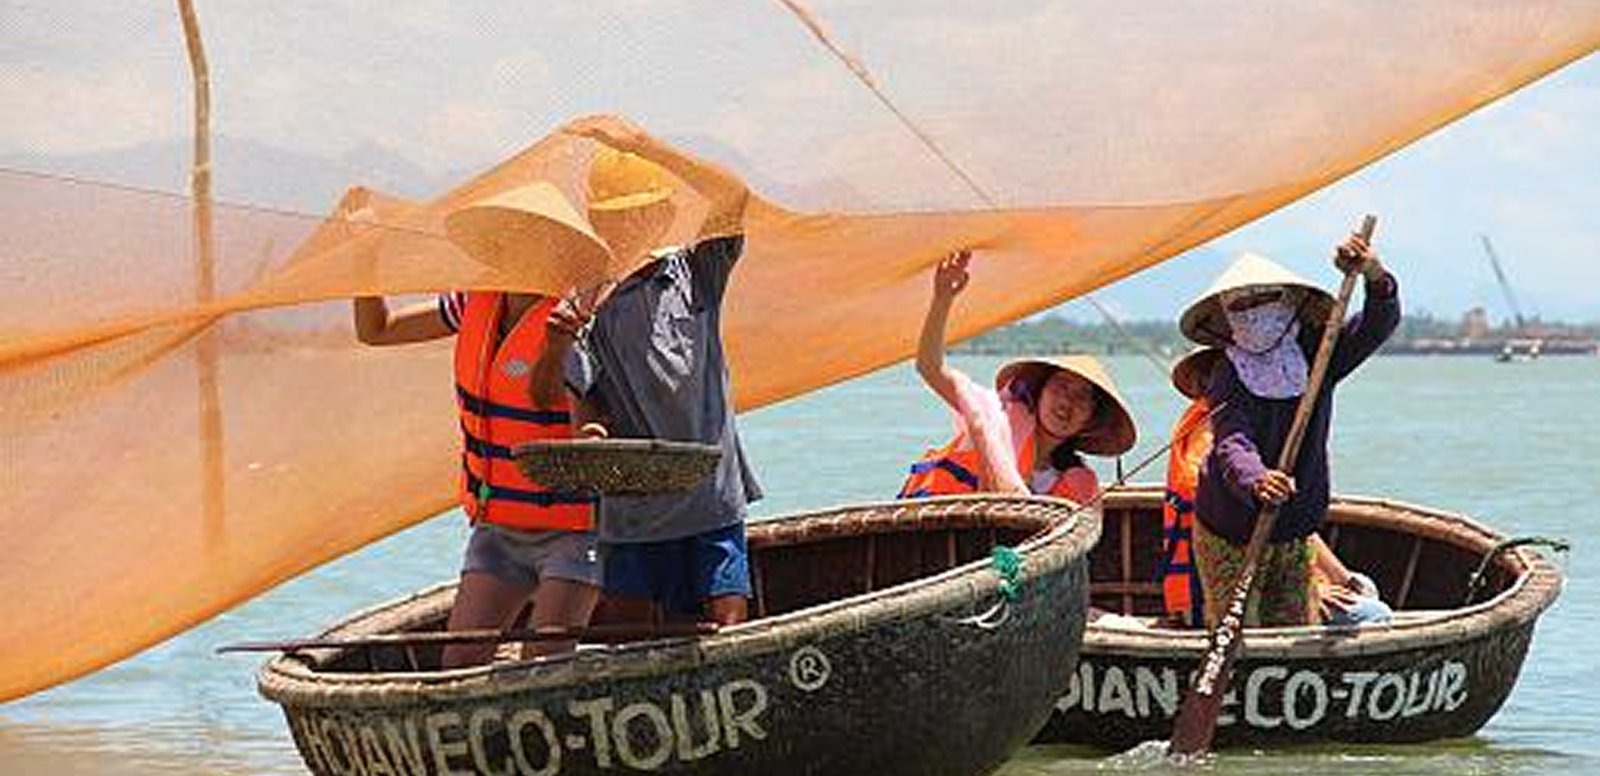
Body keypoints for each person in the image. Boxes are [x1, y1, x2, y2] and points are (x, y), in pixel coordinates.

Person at [558, 115, 761, 628]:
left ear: (661, 214)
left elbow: (733, 198)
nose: (626, 227)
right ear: (598, 224)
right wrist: (593, 435)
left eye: (639, 214)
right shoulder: (587, 303)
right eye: (614, 218)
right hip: (634, 516)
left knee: (727, 630)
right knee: (627, 633)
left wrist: (651, 149)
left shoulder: (694, 275)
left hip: (713, 503)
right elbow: (585, 410)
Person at [352, 278, 599, 668]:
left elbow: (585, 418)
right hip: (498, 529)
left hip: (573, 530)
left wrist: (591, 437)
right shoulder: (472, 302)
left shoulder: (579, 319)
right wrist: (365, 267)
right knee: (458, 664)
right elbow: (376, 330)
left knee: (545, 666)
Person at [1180, 229, 1400, 628]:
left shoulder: (1321, 353)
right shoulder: (1228, 372)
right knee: (1237, 630)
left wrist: (1373, 273)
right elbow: (1233, 441)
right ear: (1226, 317)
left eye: (1264, 299)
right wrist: (1257, 479)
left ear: (1290, 302)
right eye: (1240, 305)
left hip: (1295, 526)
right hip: (1228, 527)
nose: (1253, 311)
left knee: (1294, 624)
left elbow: (1376, 325)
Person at [1159, 347, 1392, 628]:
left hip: (1269, 566)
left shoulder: (1253, 429)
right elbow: (1233, 536)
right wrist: (1314, 589)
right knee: (1375, 615)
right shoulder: (1214, 441)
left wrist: (1343, 578)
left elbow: (1288, 530)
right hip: (1209, 595)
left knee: (1364, 587)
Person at [897, 250, 1136, 502]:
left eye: (1082, 397)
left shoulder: (1076, 481)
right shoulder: (992, 417)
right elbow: (929, 367)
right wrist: (942, 298)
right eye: (1061, 387)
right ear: (1039, 392)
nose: (1067, 402)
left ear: (1090, 419)